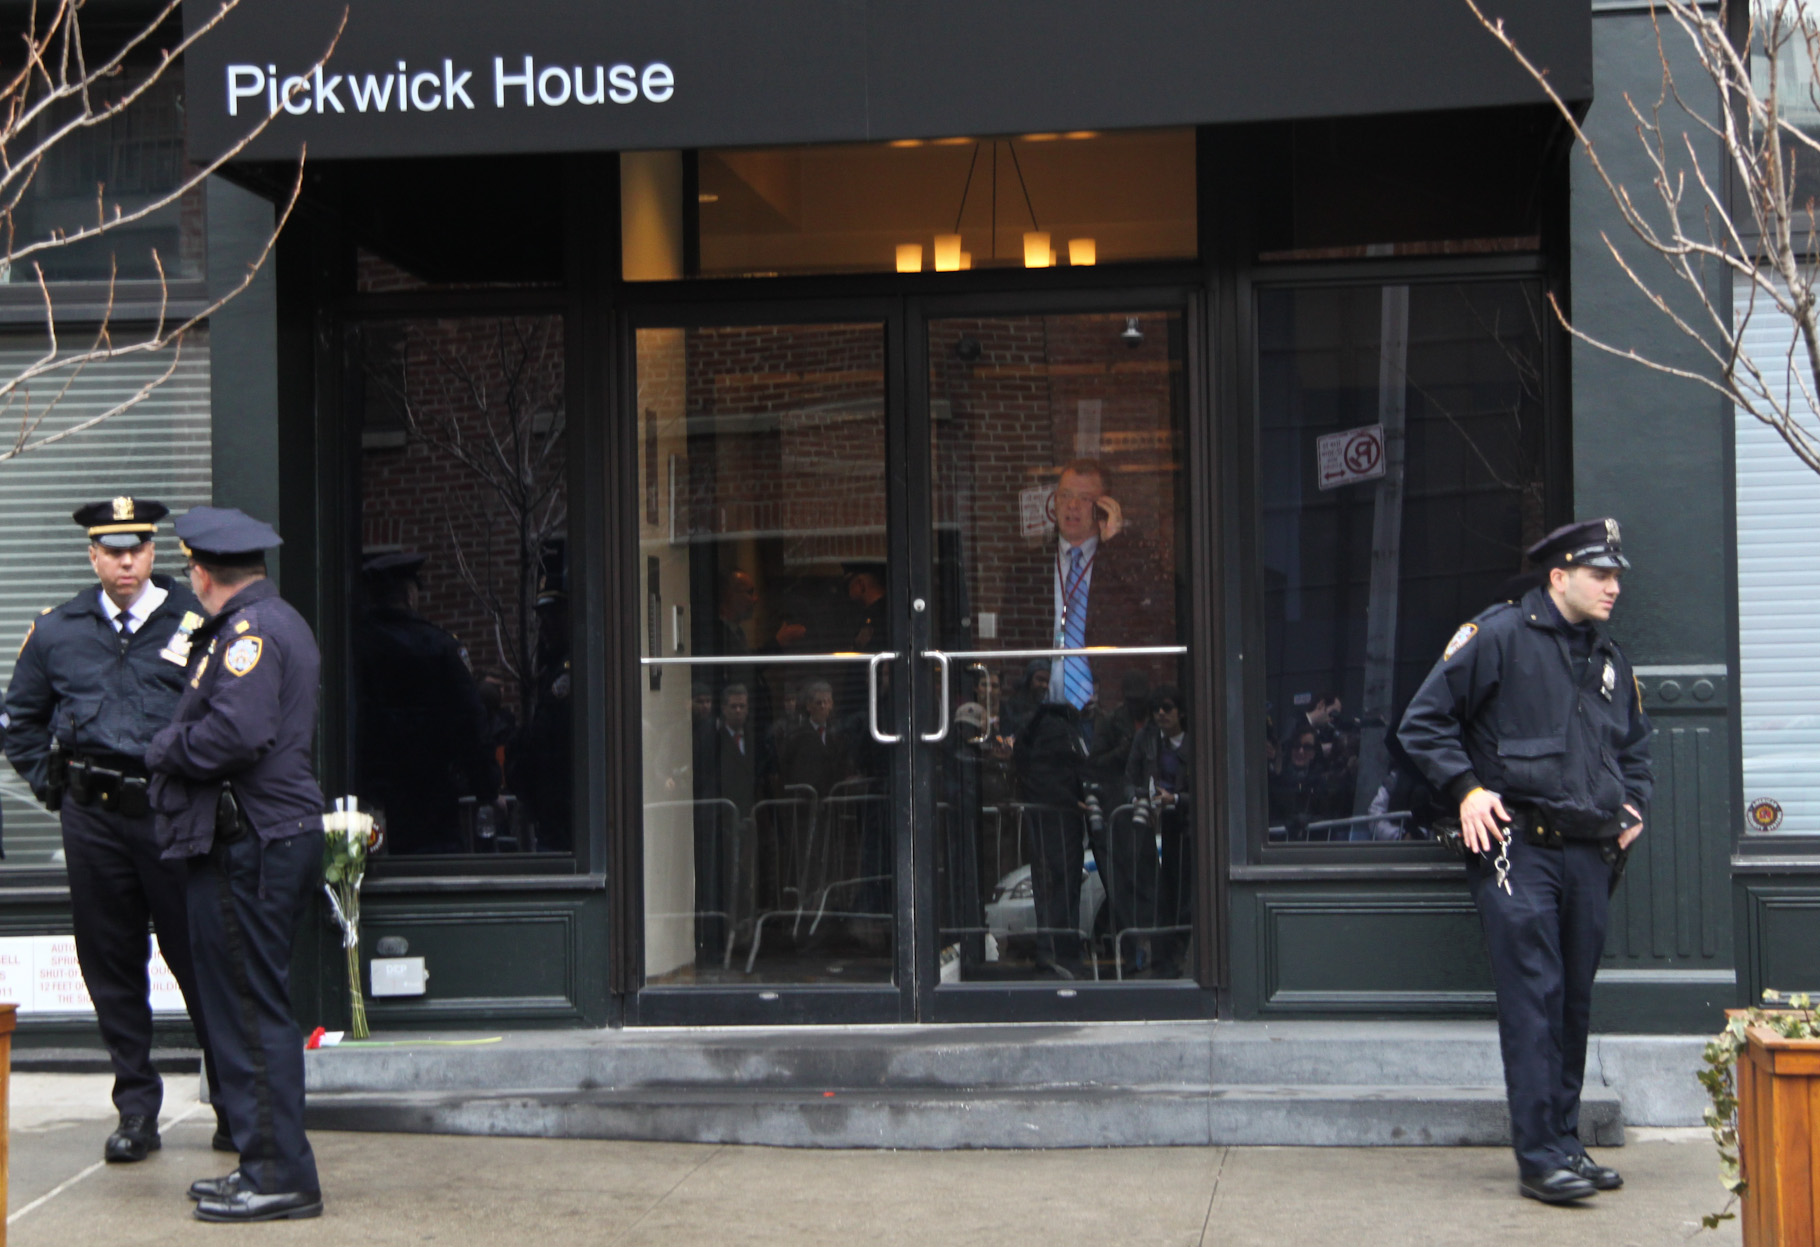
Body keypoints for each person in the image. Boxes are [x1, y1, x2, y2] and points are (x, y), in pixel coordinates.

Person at [1397, 518, 1652, 1206]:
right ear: (1558, 575)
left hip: (1590, 853)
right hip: (1520, 848)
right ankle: (1538, 1156)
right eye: (1601, 574)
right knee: (1534, 997)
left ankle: (1566, 1142)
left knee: (1571, 1001)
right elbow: (1423, 721)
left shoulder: (1608, 657)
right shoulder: (1500, 635)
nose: (1613, 586)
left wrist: (1634, 807)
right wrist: (1467, 790)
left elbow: (1635, 750)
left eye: (1616, 575)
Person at [0, 497, 226, 1163]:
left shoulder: (198, 619)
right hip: (94, 819)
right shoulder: (57, 631)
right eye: (111, 549)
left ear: (154, 553)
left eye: (137, 548)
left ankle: (232, 1104)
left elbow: (229, 713)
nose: (125, 560)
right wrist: (56, 790)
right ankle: (136, 1110)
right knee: (111, 966)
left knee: (201, 960)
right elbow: (19, 719)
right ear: (93, 555)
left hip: (173, 817)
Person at [143, 507, 326, 1222]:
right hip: (259, 836)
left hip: (247, 841)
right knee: (248, 1008)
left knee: (250, 1012)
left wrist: (164, 748)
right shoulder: (273, 622)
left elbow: (238, 732)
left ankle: (278, 1173)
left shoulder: (249, 633)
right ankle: (262, 1161)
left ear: (200, 570)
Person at [352, 552, 495, 854]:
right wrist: (487, 789)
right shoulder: (439, 647)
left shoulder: (353, 647)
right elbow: (471, 722)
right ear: (409, 594)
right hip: (430, 799)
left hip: (367, 795)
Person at [1121, 685, 1192, 975]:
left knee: (1183, 897)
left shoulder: (1194, 741)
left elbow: (1210, 789)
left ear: (1181, 712)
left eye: (1167, 708)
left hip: (1185, 829)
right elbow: (1128, 780)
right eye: (1156, 709)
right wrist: (1140, 799)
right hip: (1151, 827)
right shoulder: (1146, 739)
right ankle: (1162, 961)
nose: (1160, 714)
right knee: (1156, 897)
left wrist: (1175, 799)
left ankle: (1178, 957)